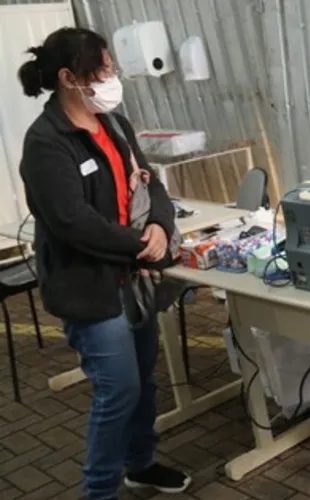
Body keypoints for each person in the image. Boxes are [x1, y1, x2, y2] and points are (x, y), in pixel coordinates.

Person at [17, 28, 190, 500]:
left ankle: (140, 464)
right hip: (90, 287)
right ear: (69, 78)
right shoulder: (47, 142)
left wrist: (158, 223)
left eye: (111, 69)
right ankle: (99, 491)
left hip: (134, 277)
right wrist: (141, 244)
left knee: (142, 381)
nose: (112, 79)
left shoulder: (112, 122)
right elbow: (73, 222)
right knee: (118, 392)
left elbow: (149, 181)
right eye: (103, 71)